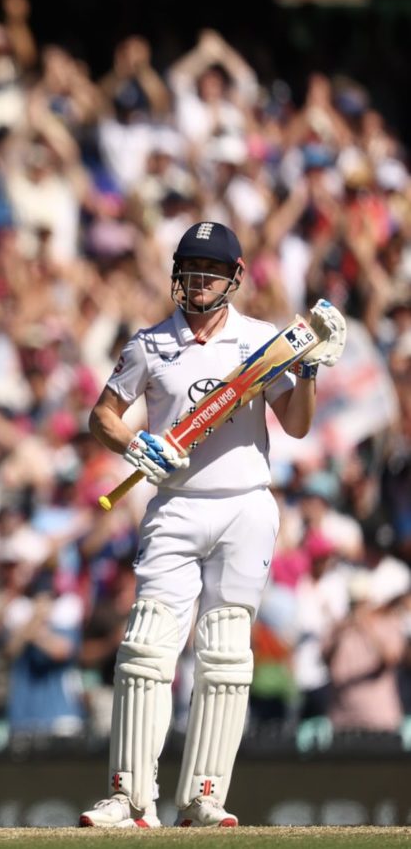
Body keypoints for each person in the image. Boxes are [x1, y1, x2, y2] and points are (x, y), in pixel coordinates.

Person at [80, 221, 346, 827]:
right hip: (174, 504)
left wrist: (306, 371)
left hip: (244, 505)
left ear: (234, 277)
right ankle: (130, 797)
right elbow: (104, 415)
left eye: (211, 273)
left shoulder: (262, 341)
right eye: (190, 271)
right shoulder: (150, 344)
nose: (198, 283)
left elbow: (298, 425)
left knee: (225, 650)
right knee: (147, 645)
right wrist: (134, 444)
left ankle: (204, 797)